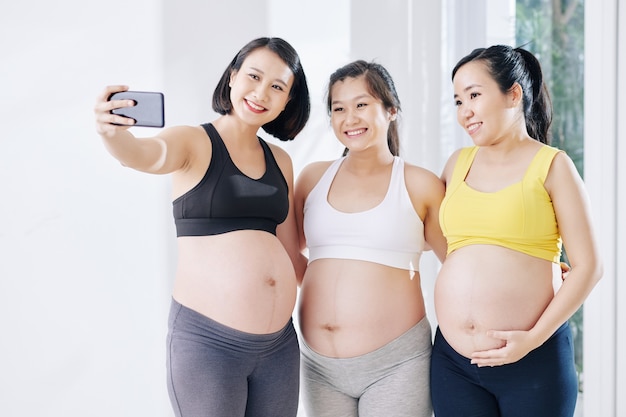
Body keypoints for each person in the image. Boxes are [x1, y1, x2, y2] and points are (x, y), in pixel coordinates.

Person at [93, 37, 310, 417]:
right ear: (232, 77)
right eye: (253, 77)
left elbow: (292, 253)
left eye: (277, 86)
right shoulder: (194, 140)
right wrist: (113, 134)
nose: (261, 93)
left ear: (288, 100)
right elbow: (146, 154)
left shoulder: (281, 160)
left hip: (278, 347)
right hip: (209, 343)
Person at [430, 44, 603, 416]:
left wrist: (531, 338)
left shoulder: (553, 166)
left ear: (513, 93)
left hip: (534, 358)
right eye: (458, 101)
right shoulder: (456, 164)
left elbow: (589, 267)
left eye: (474, 95)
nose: (465, 112)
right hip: (454, 362)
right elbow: (449, 245)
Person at [294, 60, 447, 417]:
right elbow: (287, 253)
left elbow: (457, 265)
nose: (350, 118)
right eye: (338, 108)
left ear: (391, 109)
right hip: (318, 366)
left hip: (396, 363)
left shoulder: (420, 184)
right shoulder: (311, 178)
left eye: (361, 104)